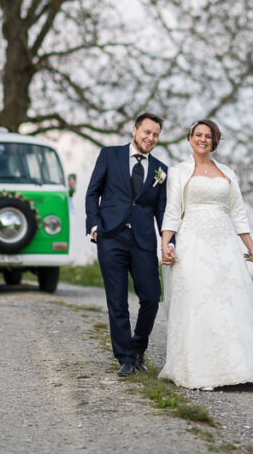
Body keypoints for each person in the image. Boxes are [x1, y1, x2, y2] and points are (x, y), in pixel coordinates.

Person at [158, 119, 253, 390]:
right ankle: (204, 370)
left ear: (215, 141)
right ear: (190, 138)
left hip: (224, 242)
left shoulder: (227, 172)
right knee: (200, 299)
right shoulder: (178, 172)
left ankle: (243, 367)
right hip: (193, 242)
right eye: (198, 135)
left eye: (208, 136)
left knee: (233, 299)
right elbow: (172, 211)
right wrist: (166, 245)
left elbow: (238, 213)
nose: (203, 139)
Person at [85, 112, 173, 377]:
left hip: (143, 241)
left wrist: (167, 243)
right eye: (147, 132)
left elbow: (161, 210)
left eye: (156, 134)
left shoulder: (161, 170)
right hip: (110, 237)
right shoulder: (109, 155)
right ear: (134, 130)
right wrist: (94, 225)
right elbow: (93, 192)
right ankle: (124, 358)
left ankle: (137, 348)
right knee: (117, 301)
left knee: (150, 297)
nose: (151, 138)